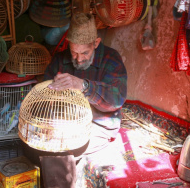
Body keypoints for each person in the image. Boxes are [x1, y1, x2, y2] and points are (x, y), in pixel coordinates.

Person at [22, 12, 128, 188]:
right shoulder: (60, 59)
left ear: (96, 43)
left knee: (58, 151)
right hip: (63, 124)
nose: (78, 59)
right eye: (74, 52)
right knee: (32, 141)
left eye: (84, 53)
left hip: (98, 125)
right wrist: (52, 91)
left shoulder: (111, 59)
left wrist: (84, 86)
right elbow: (43, 95)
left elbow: (116, 99)